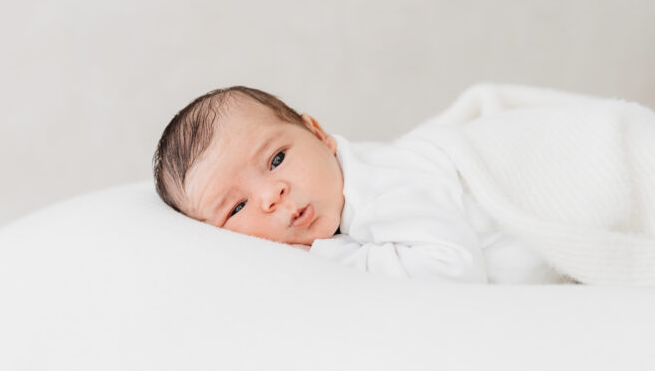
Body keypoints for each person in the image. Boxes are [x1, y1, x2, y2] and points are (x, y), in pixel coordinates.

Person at [152, 85, 570, 284]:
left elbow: (454, 270)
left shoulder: (378, 189)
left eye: (277, 159)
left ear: (317, 134)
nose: (271, 194)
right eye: (236, 208)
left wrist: (333, 256)